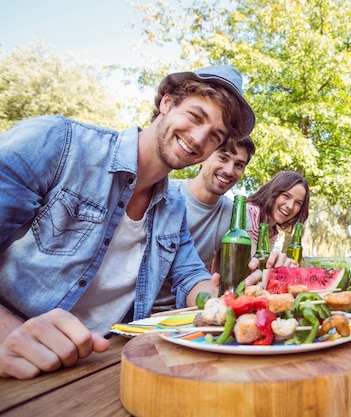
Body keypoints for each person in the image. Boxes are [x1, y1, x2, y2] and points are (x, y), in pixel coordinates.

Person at [0, 65, 276, 379]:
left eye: (215, 136)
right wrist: (7, 333)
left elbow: (191, 278)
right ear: (167, 102)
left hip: (110, 363)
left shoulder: (173, 207)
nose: (199, 138)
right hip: (21, 365)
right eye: (196, 116)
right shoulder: (59, 143)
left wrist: (233, 300)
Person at [151, 135, 256, 313]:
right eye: (223, 158)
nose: (229, 170)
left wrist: (266, 266)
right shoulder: (167, 195)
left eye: (239, 165)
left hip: (193, 308)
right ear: (204, 157)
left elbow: (252, 259)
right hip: (143, 309)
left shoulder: (236, 214)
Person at [246, 171, 310, 254]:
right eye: (286, 196)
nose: (290, 206)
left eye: (298, 203)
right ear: (273, 192)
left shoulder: (273, 231)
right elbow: (251, 260)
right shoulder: (250, 212)